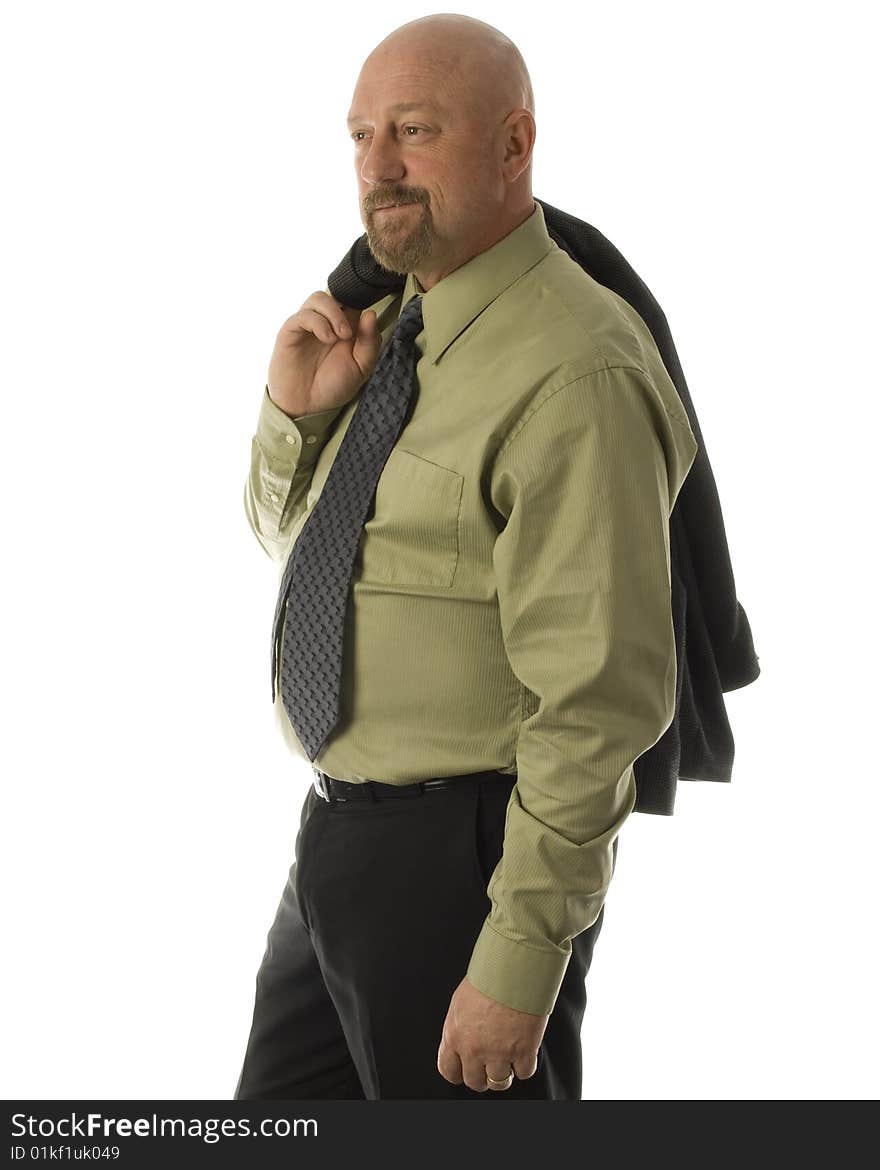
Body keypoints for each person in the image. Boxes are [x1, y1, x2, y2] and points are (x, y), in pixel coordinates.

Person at [234, 13, 699, 1100]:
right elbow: (295, 556)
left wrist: (519, 959)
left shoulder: (574, 371)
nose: (376, 168)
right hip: (336, 842)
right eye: (360, 135)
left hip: (466, 867)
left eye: (413, 130)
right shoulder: (395, 327)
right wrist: (295, 417)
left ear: (511, 144)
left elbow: (597, 704)